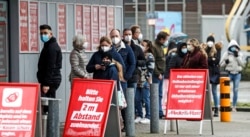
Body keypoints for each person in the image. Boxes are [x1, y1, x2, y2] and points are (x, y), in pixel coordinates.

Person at [110, 28, 136, 131]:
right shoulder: (109, 48)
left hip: (122, 80)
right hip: (111, 79)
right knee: (112, 103)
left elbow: (132, 63)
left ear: (120, 37)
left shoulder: (127, 48)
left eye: (116, 36)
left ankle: (127, 125)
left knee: (123, 103)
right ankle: (114, 125)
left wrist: (126, 77)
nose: (114, 38)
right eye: (112, 36)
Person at [122, 28, 146, 126]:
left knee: (131, 100)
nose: (128, 36)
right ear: (123, 35)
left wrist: (135, 63)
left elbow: (144, 61)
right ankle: (125, 121)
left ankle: (130, 123)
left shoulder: (136, 48)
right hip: (122, 77)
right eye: (126, 34)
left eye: (129, 34)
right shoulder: (120, 47)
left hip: (133, 77)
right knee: (123, 101)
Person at [37, 24, 62, 113]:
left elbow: (50, 67)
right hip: (49, 80)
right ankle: (48, 125)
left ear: (50, 34)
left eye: (45, 33)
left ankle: (50, 126)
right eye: (41, 33)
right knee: (46, 104)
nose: (43, 35)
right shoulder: (47, 45)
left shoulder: (52, 47)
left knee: (48, 105)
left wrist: (46, 84)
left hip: (50, 81)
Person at [220, 39, 244, 112]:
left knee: (235, 90)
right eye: (232, 46)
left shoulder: (240, 54)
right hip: (229, 74)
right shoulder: (226, 54)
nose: (234, 48)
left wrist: (237, 57)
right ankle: (225, 105)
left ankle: (234, 106)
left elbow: (242, 64)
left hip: (237, 74)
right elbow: (221, 64)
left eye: (235, 46)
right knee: (226, 90)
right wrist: (226, 62)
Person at [135, 39, 155, 124]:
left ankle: (148, 116)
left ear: (148, 47)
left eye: (143, 45)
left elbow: (151, 68)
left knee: (146, 98)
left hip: (145, 80)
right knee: (137, 98)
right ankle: (139, 115)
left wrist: (146, 78)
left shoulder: (149, 56)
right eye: (141, 44)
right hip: (138, 80)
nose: (141, 46)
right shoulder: (139, 54)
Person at [152, 31, 169, 119]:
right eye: (166, 39)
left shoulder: (160, 46)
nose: (166, 41)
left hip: (160, 73)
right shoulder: (154, 47)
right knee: (156, 93)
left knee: (160, 94)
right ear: (161, 39)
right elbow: (152, 62)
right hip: (157, 74)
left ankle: (159, 111)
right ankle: (157, 112)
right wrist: (157, 73)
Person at [205, 35, 221, 117]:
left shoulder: (217, 49)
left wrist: (210, 60)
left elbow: (217, 60)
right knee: (207, 91)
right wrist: (212, 59)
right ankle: (208, 108)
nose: (210, 42)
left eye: (211, 41)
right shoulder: (204, 48)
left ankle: (216, 109)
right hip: (207, 72)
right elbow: (205, 60)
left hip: (214, 73)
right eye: (208, 41)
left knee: (214, 91)